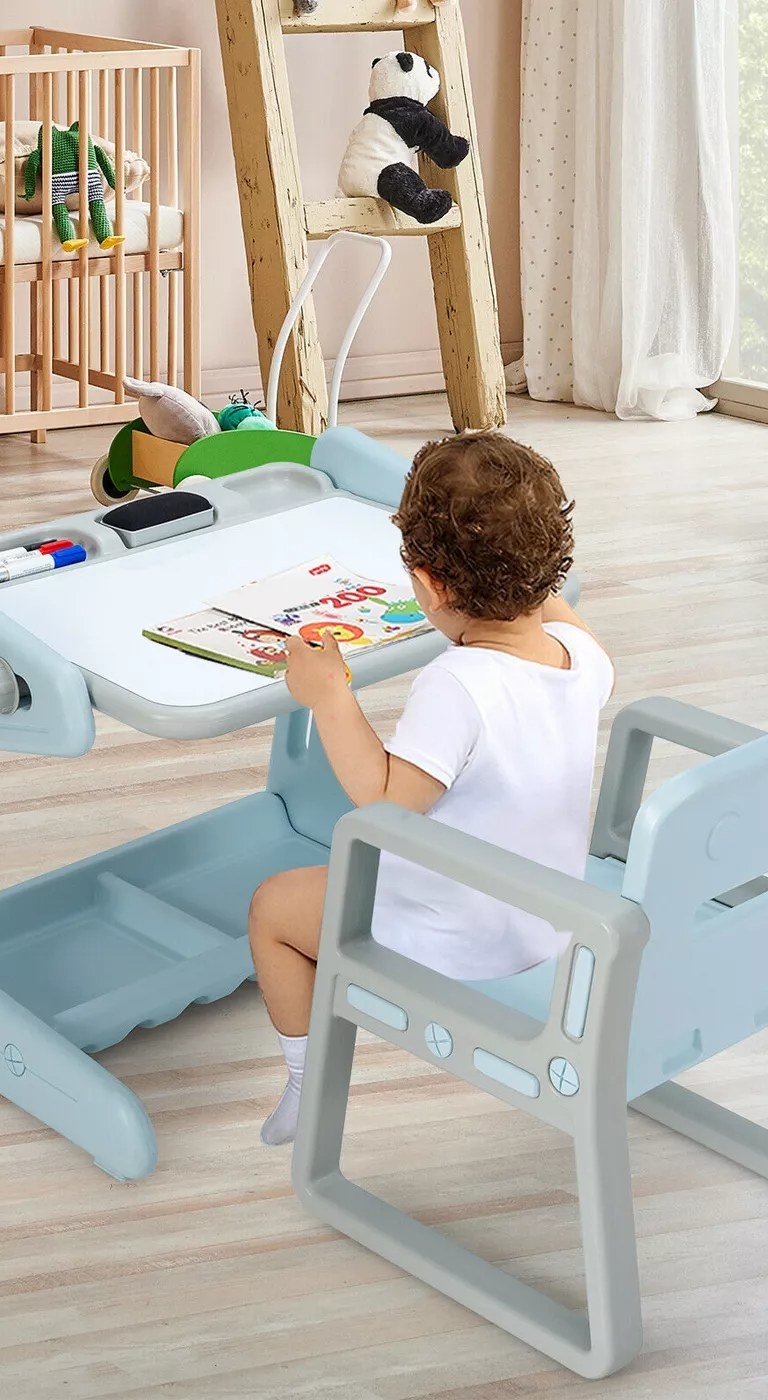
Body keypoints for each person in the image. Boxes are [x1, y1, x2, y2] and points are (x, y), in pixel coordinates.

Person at [247, 432, 614, 1146]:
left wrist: (329, 697)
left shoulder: (458, 683)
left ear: (431, 585)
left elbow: (385, 802)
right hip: (547, 916)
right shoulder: (583, 657)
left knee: (273, 911)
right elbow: (548, 605)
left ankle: (303, 1078)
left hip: (458, 937)